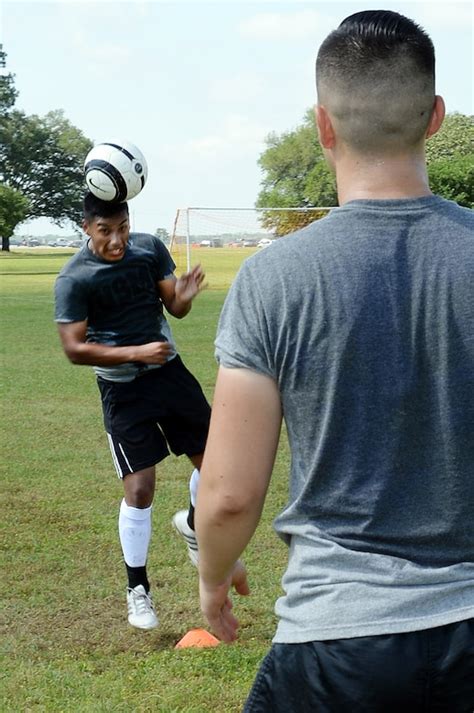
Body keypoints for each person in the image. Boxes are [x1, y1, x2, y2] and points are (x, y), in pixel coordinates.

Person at [195, 10, 474, 711]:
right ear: (436, 116)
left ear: (323, 125)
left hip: (337, 644)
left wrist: (213, 576)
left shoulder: (274, 278)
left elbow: (229, 494)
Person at [54, 192, 208, 630]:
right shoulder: (74, 278)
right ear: (85, 227)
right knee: (140, 490)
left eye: (122, 227)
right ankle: (138, 590)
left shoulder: (149, 248)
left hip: (171, 375)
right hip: (123, 392)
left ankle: (195, 525)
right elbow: (74, 349)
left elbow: (174, 307)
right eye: (105, 231)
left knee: (217, 469)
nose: (117, 239)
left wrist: (186, 295)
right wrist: (134, 352)